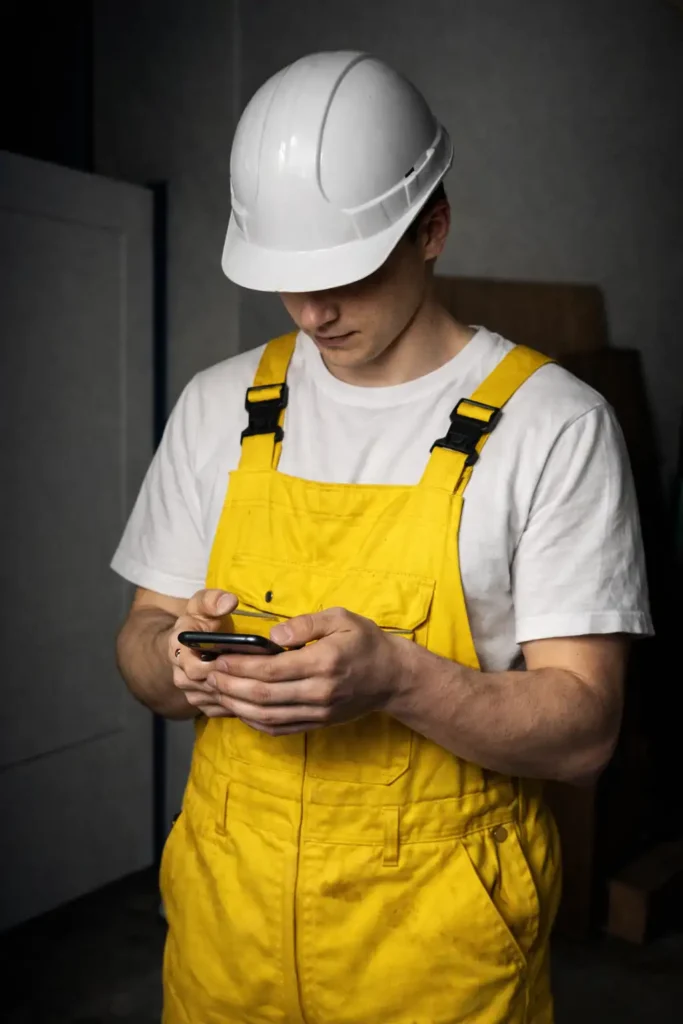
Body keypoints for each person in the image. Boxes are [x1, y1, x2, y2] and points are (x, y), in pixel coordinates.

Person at [113, 51, 652, 1024]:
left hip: (434, 969)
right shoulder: (216, 407)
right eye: (288, 281)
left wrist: (399, 681)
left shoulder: (553, 427)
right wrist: (178, 663)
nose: (313, 312)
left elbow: (585, 730)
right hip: (223, 952)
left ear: (431, 228)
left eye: (345, 274)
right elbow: (138, 645)